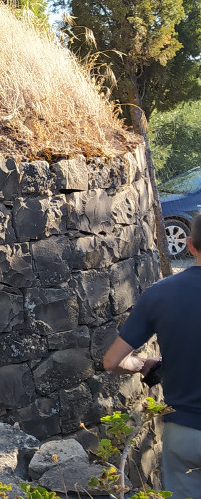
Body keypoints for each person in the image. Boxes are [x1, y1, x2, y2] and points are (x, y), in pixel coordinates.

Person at [104, 213, 201, 499]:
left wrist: (141, 364)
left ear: (190, 245)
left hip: (183, 431)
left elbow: (112, 361)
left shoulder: (160, 293)